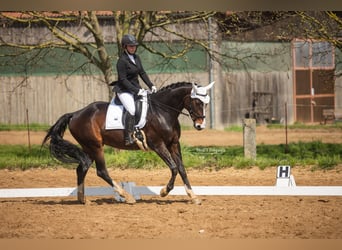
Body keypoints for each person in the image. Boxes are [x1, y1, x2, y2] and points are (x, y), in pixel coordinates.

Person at [114, 34, 157, 146]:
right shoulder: (121, 61)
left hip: (135, 88)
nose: (133, 48)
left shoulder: (137, 58)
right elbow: (123, 80)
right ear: (125, 47)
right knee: (132, 110)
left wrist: (151, 85)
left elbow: (142, 72)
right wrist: (137, 91)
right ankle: (128, 136)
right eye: (130, 46)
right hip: (123, 90)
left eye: (134, 46)